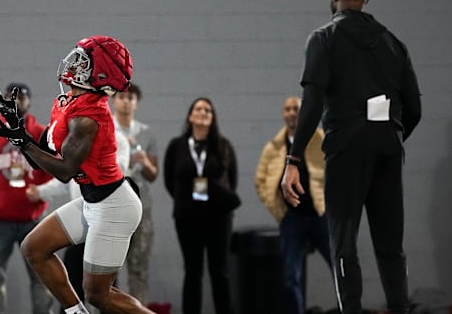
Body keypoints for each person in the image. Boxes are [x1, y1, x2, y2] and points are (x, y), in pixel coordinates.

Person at [281, 0, 422, 314]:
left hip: (346, 149)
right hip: (389, 147)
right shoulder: (394, 42)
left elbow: (312, 104)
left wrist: (294, 160)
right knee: (391, 245)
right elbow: (415, 108)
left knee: (343, 243)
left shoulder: (323, 38)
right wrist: (389, 136)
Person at [0, 35, 152, 314]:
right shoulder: (71, 102)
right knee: (35, 248)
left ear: (99, 74)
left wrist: (22, 140)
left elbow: (64, 172)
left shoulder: (89, 118)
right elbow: (41, 160)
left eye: (83, 61)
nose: (74, 63)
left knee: (99, 295)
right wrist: (19, 129)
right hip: (93, 201)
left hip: (114, 207)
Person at [0, 82, 55, 314]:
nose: (15, 101)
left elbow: (52, 168)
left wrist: (40, 194)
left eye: (21, 97)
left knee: (41, 278)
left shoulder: (40, 133)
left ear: (30, 102)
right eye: (9, 97)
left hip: (33, 220)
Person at [25, 130, 131, 305]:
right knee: (71, 279)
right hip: (83, 216)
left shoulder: (117, 139)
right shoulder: (71, 139)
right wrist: (41, 191)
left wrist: (79, 161)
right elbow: (64, 177)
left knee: (102, 293)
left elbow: (117, 170)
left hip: (108, 217)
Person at [254, 96, 331, 314]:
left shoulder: (321, 140)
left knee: (341, 270)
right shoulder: (274, 147)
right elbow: (260, 181)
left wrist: (330, 205)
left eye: (296, 108)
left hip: (320, 215)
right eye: (287, 109)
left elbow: (338, 173)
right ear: (283, 114)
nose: (291, 113)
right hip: (292, 220)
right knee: (290, 277)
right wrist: (279, 210)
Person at [163, 97, 240, 314]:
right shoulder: (176, 145)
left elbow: (231, 182)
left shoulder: (223, 146)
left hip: (218, 217)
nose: (203, 112)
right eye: (198, 109)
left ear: (213, 117)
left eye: (208, 110)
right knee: (192, 272)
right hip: (187, 217)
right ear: (190, 116)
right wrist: (187, 200)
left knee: (220, 272)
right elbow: (170, 181)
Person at [111, 83, 159, 304]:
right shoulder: (105, 128)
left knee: (139, 269)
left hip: (141, 208)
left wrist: (145, 161)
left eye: (131, 98)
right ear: (113, 100)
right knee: (108, 271)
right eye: (121, 97)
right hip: (112, 209)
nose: (126, 101)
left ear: (136, 103)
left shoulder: (146, 133)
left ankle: (137, 309)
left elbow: (153, 174)